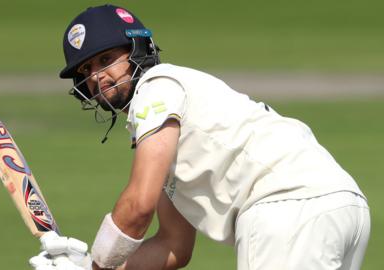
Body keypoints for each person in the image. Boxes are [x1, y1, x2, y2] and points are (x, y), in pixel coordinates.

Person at [29, 4, 370, 270]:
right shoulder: (172, 118)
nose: (98, 77)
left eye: (106, 60)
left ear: (137, 49)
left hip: (285, 211)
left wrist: (94, 264)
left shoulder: (156, 89)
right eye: (86, 71)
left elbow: (139, 205)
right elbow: (174, 244)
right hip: (343, 206)